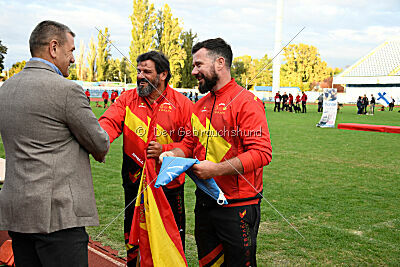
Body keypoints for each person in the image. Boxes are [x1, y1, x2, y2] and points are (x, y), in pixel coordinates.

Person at [0, 20, 109, 267]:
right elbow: (100, 143)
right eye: (71, 51)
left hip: (17, 212)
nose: (73, 59)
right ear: (54, 48)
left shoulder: (6, 89)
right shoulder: (67, 90)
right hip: (57, 217)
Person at [159, 38, 272, 266]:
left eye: (199, 64)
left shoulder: (247, 102)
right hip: (204, 202)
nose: (194, 71)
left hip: (237, 206)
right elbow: (189, 144)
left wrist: (216, 170)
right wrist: (172, 154)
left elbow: (262, 153)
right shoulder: (199, 105)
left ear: (220, 63)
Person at [98, 51, 193, 266]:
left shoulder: (183, 104)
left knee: (170, 241)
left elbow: (193, 143)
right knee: (134, 240)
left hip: (169, 187)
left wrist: (167, 149)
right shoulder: (127, 99)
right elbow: (108, 123)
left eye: (147, 71)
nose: (140, 76)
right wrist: (98, 142)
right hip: (134, 185)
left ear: (163, 75)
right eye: (138, 71)